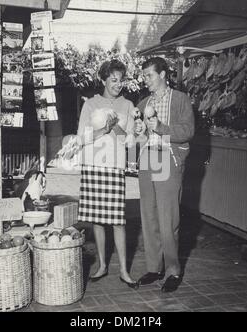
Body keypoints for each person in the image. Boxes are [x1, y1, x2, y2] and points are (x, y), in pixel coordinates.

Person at [77, 59, 139, 289]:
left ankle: (124, 270)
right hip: (93, 166)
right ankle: (102, 265)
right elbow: (81, 138)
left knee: (118, 220)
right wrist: (104, 128)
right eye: (113, 80)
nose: (118, 84)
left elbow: (131, 140)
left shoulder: (128, 105)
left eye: (121, 80)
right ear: (103, 80)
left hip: (115, 166)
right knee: (97, 219)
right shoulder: (91, 104)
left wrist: (116, 127)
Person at [135, 57, 195, 292]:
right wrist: (137, 129)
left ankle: (172, 270)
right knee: (148, 216)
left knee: (168, 218)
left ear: (162, 75)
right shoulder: (143, 102)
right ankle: (154, 267)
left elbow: (187, 130)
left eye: (149, 75)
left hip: (167, 159)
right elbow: (136, 132)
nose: (145, 80)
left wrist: (159, 127)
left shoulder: (180, 99)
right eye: (144, 76)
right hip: (146, 160)